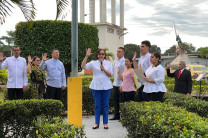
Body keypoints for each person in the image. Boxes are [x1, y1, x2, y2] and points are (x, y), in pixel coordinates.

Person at [81, 48, 113, 129]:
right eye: (100, 54)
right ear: (97, 55)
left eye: (103, 54)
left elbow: (110, 75)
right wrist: (86, 56)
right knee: (97, 105)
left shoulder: (108, 63)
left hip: (106, 86)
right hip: (96, 86)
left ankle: (105, 123)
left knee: (105, 105)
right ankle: (96, 123)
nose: (101, 55)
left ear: (105, 55)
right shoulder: (93, 63)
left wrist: (104, 69)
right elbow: (83, 66)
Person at [110, 47, 125, 120]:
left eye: (119, 52)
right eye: (117, 51)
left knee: (122, 101)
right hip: (115, 83)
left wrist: (123, 84)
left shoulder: (125, 61)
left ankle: (123, 116)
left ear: (123, 53)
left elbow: (126, 74)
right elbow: (112, 72)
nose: (117, 53)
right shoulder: (115, 61)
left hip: (122, 84)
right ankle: (116, 115)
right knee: (115, 100)